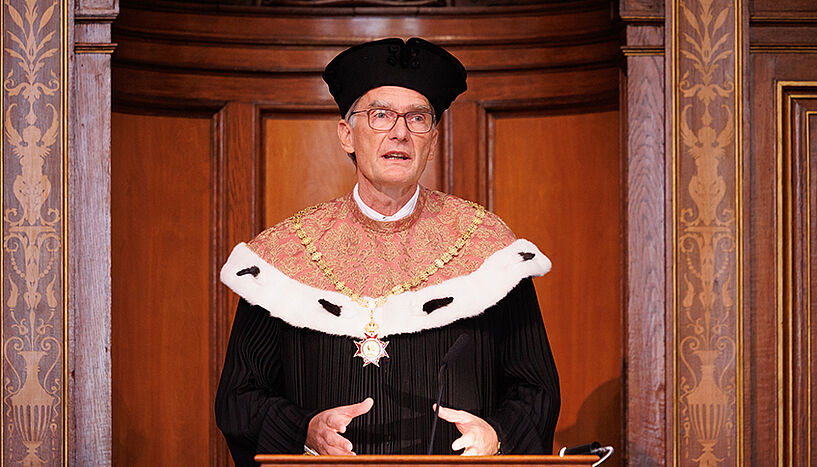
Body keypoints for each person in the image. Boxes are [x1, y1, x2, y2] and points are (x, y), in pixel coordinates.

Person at [215, 37, 560, 466]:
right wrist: (303, 429)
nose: (400, 132)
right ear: (347, 134)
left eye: (417, 118)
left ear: (431, 139)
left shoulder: (487, 246)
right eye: (380, 115)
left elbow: (536, 389)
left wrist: (497, 435)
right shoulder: (284, 255)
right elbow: (238, 399)